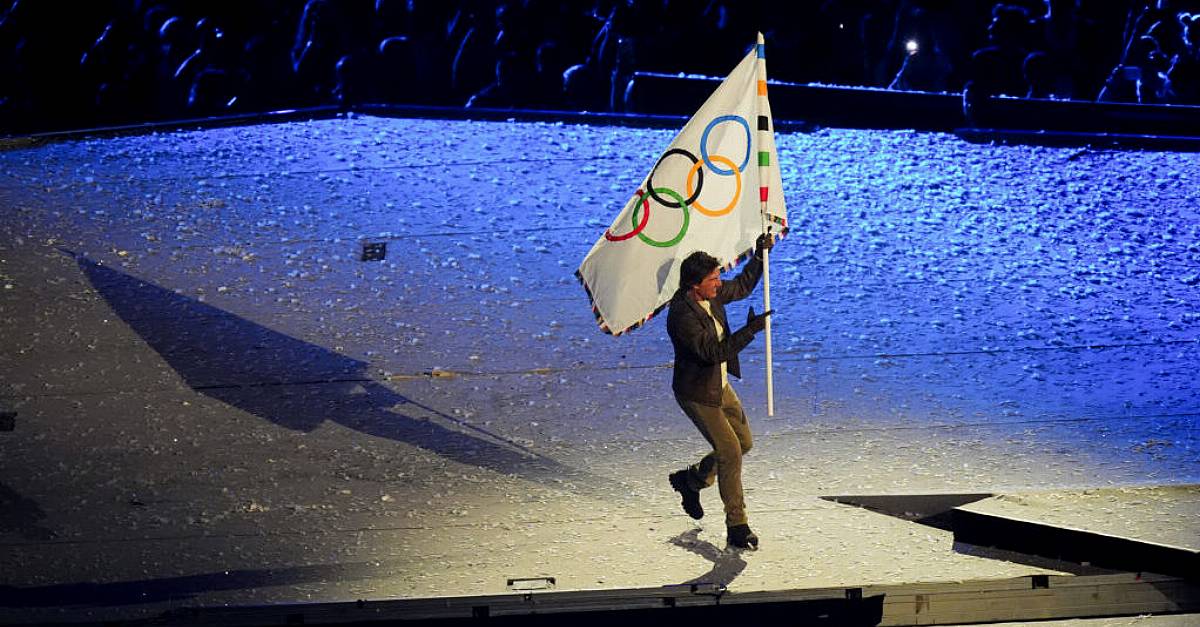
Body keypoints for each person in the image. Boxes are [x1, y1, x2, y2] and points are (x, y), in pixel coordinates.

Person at [666, 234, 774, 550]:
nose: (719, 283)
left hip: (720, 385)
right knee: (730, 452)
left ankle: (691, 481)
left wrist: (758, 257)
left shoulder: (710, 294)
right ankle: (737, 526)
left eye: (718, 277)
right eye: (713, 279)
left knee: (744, 443)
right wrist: (750, 331)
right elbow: (712, 353)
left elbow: (740, 287)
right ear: (694, 284)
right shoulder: (682, 315)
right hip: (698, 393)